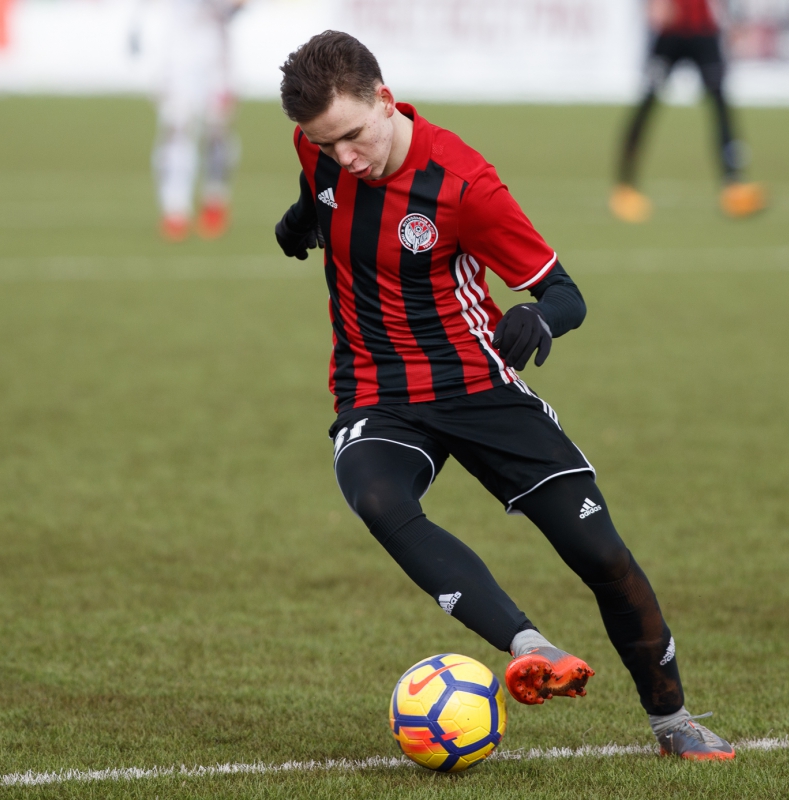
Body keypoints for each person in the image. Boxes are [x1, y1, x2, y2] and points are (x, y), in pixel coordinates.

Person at [273, 31, 735, 760]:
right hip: (375, 386)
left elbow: (565, 292)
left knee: (601, 555)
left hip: (476, 383)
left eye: (353, 137)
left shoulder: (464, 185)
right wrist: (303, 218)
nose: (344, 158)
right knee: (378, 498)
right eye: (326, 144)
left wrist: (540, 319)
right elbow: (319, 184)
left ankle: (673, 721)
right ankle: (530, 646)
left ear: (385, 100)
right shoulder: (320, 148)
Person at [610, 0, 765, 222]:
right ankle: (625, 186)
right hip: (669, 31)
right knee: (646, 105)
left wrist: (736, 18)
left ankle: (734, 187)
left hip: (703, 30)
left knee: (721, 107)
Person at [131, 0, 246, 240]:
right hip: (178, 53)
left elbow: (237, 7)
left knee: (217, 130)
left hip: (216, 53)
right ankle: (175, 210)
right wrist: (137, 28)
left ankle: (215, 202)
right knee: (176, 129)